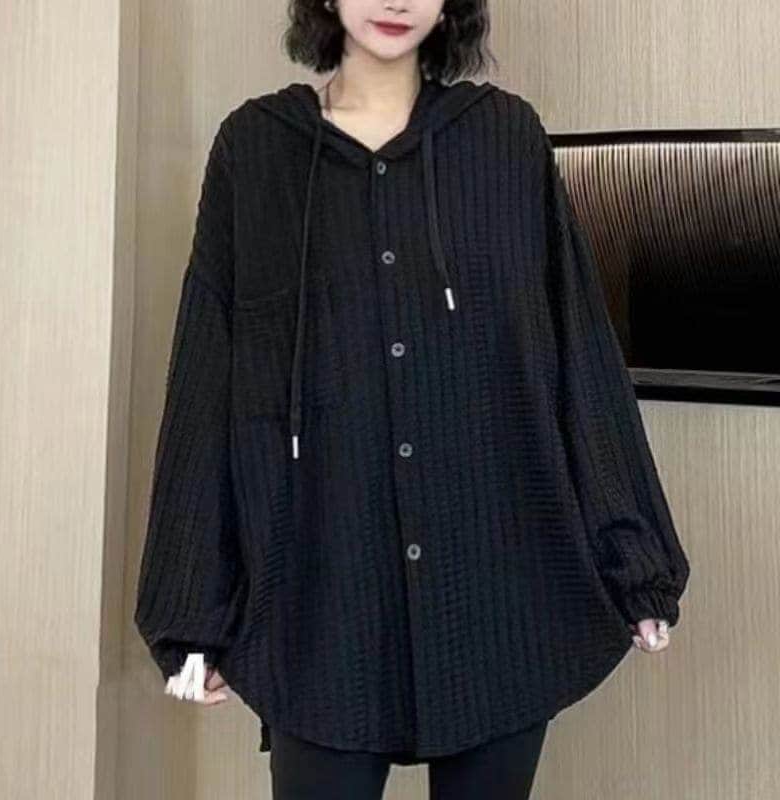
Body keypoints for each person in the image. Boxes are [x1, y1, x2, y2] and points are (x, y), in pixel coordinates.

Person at [133, 1, 691, 797]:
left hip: (496, 592)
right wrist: (190, 612)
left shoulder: (505, 140)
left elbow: (578, 350)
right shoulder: (256, 151)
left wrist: (635, 565)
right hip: (321, 602)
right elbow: (207, 376)